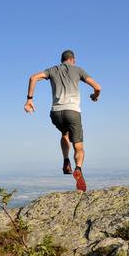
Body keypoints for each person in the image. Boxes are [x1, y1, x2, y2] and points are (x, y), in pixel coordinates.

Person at [24, 50, 101, 192]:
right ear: (73, 59)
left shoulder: (52, 70)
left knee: (64, 134)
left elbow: (33, 77)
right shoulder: (78, 70)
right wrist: (94, 96)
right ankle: (78, 169)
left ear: (62, 60)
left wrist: (29, 100)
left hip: (56, 113)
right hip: (72, 111)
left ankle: (66, 160)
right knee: (79, 147)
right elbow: (97, 87)